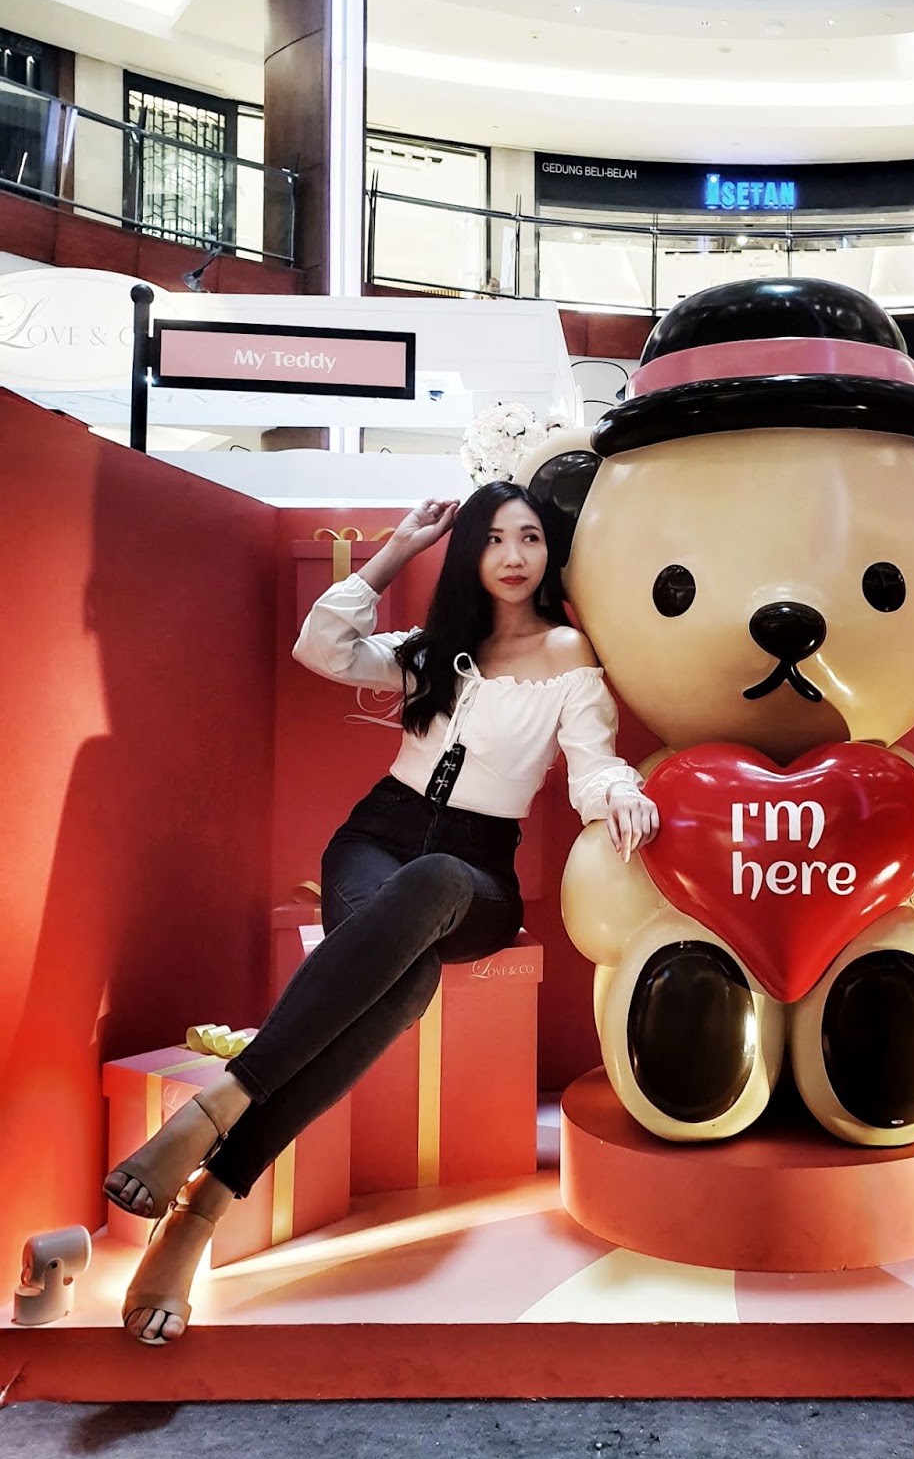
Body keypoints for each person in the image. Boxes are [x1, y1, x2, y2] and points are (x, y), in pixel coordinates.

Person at [105, 481, 659, 1345]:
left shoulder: (565, 651)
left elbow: (592, 763)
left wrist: (620, 791)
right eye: (494, 539)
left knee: (435, 883)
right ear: (468, 553)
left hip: (474, 872)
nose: (514, 556)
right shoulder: (435, 650)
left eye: (530, 538)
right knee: (403, 989)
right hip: (374, 839)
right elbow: (322, 647)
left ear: (550, 553)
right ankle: (199, 1215)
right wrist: (397, 548)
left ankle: (215, 1108)